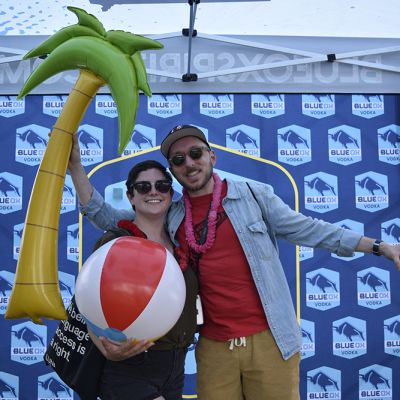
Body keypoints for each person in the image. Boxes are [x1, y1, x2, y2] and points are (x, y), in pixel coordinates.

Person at [69, 126, 400, 400]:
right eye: (179, 159)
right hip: (214, 348)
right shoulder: (171, 213)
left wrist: (379, 246)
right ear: (174, 170)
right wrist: (76, 168)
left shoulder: (254, 195)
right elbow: (104, 215)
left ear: (212, 156)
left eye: (196, 153)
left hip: (271, 341)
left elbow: (310, 230)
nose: (189, 163)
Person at [74, 159, 198, 400]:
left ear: (171, 195)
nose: (153, 191)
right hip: (130, 366)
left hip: (175, 366)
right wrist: (108, 352)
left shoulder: (181, 243)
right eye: (143, 187)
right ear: (131, 196)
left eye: (162, 186)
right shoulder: (115, 242)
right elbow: (89, 305)